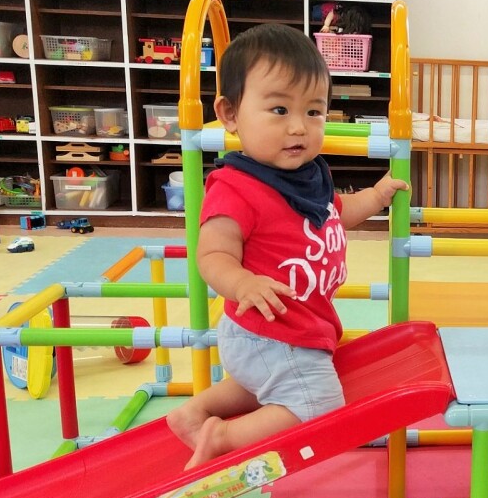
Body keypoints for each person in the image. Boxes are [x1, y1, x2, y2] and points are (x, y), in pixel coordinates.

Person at [167, 24, 407, 470]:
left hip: (287, 330)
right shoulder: (236, 187)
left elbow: (334, 212)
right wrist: (242, 282)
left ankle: (195, 412)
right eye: (279, 109)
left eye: (314, 112)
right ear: (230, 114)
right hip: (269, 328)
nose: (299, 127)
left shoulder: (307, 178)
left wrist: (374, 198)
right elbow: (212, 254)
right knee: (318, 405)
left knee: (263, 385)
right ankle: (222, 436)